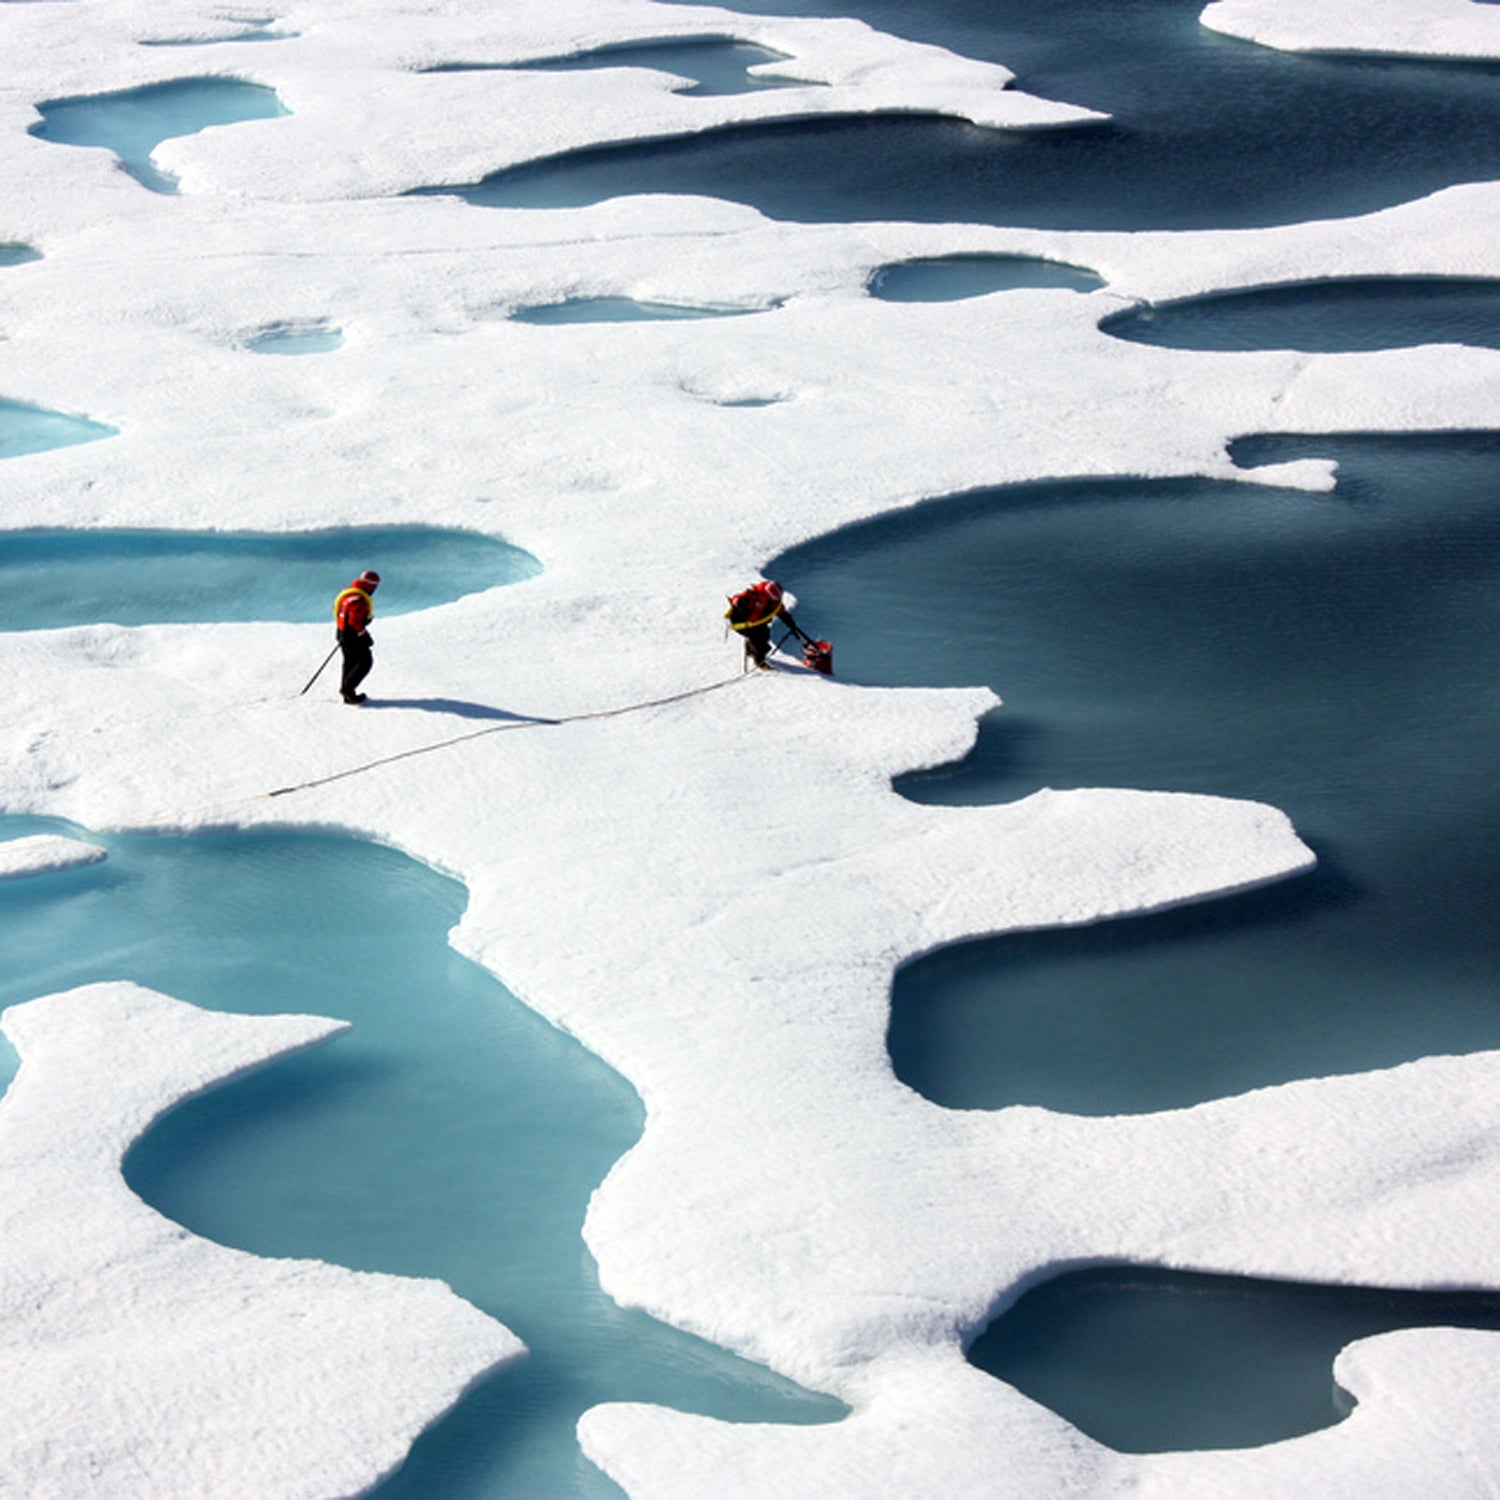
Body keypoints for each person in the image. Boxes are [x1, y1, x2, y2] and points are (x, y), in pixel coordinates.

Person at [724, 579, 797, 669]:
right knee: (762, 645)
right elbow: (736, 599)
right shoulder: (752, 596)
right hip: (743, 624)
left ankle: (751, 649)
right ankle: (759, 661)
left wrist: (791, 623)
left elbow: (781, 612)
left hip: (756, 623)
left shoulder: (773, 602)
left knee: (764, 636)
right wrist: (740, 604)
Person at [334, 570, 380, 704]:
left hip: (341, 632)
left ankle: (348, 693)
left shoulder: (349, 593)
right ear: (370, 586)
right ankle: (348, 690)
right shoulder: (359, 600)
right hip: (352, 635)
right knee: (365, 662)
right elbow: (354, 621)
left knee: (349, 662)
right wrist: (364, 635)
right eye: (375, 586)